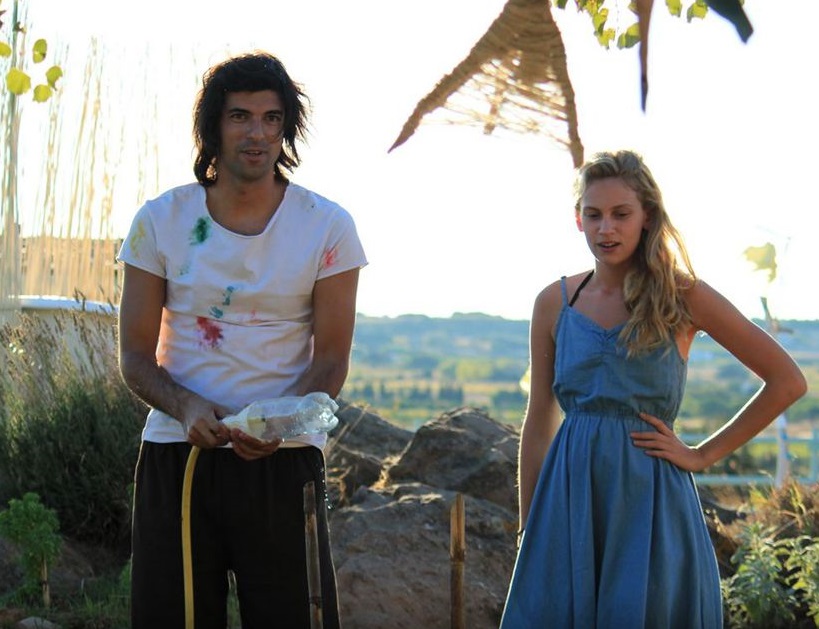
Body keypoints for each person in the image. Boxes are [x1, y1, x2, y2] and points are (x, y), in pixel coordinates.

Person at [500, 150, 806, 628]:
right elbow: (540, 416)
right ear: (577, 219)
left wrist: (702, 454)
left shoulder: (683, 296)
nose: (606, 229)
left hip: (650, 502)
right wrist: (529, 527)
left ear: (646, 216)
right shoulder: (554, 303)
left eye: (621, 214)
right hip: (568, 501)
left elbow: (787, 381)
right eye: (594, 214)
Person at [117, 51, 367, 628]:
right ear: (214, 127)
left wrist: (278, 421)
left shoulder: (327, 226)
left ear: (286, 129)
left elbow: (332, 359)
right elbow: (133, 356)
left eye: (271, 118)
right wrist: (185, 406)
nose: (257, 134)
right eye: (240, 117)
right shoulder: (160, 220)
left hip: (285, 456)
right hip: (180, 454)